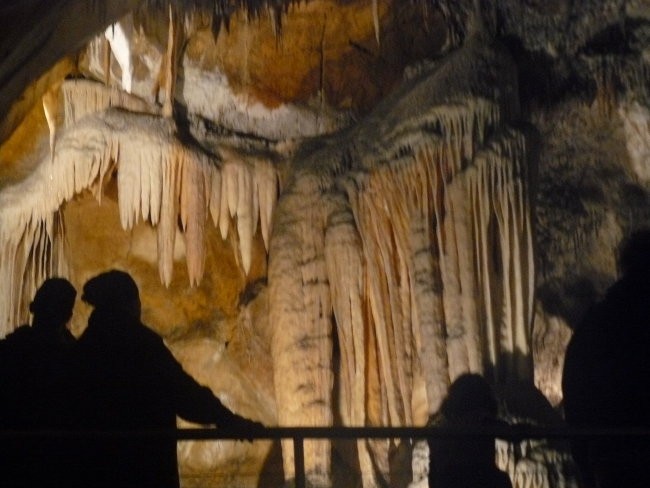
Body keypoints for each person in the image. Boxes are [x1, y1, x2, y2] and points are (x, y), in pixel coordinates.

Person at [70, 269, 264, 488]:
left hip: (92, 471)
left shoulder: (82, 352)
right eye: (136, 301)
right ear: (129, 304)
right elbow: (184, 394)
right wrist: (229, 420)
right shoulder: (141, 346)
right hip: (145, 469)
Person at [562, 229, 650, 488]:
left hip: (605, 458)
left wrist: (585, 459)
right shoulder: (619, 320)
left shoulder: (596, 321)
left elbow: (576, 387)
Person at [0, 277, 77, 488]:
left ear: (34, 308)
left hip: (13, 454)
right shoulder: (74, 356)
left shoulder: (11, 349)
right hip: (57, 457)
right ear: (68, 315)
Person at [427, 373, 512, 488]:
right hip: (476, 480)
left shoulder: (442, 427)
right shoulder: (482, 422)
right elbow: (508, 432)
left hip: (446, 482)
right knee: (501, 480)